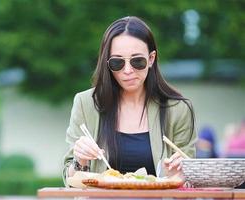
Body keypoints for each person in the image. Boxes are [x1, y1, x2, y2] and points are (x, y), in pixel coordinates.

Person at [62, 16, 197, 186]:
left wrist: (178, 177)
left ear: (151, 59)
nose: (127, 70)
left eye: (137, 61)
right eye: (117, 62)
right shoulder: (86, 103)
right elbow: (70, 182)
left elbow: (190, 184)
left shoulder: (177, 109)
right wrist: (80, 160)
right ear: (107, 64)